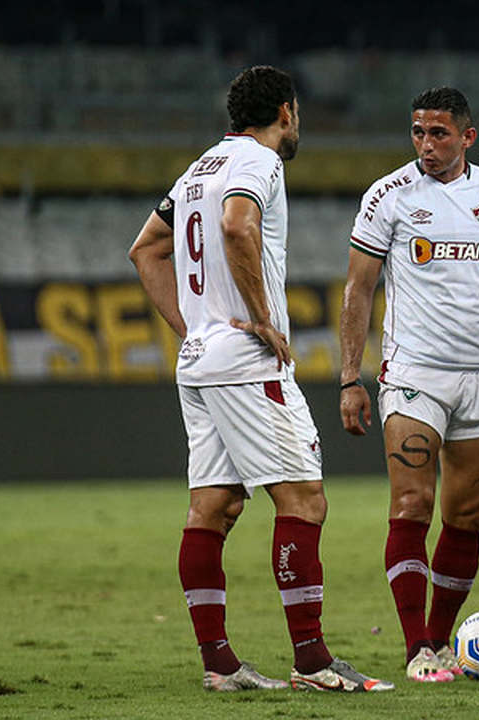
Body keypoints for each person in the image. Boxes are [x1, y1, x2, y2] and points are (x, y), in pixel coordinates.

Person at [128, 65, 393, 693]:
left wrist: (193, 326)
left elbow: (145, 249)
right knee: (304, 501)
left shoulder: (199, 169)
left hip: (199, 362)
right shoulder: (258, 161)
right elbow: (237, 224)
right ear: (286, 111)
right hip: (245, 363)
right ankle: (313, 662)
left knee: (212, 508)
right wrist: (261, 319)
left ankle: (220, 667)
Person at [338, 86, 479, 683]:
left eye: (439, 133)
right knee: (412, 503)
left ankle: (442, 641)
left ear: (468, 137)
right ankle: (417, 646)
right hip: (416, 374)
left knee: (467, 515)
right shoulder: (388, 195)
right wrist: (350, 377)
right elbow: (358, 289)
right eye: (418, 132)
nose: (426, 145)